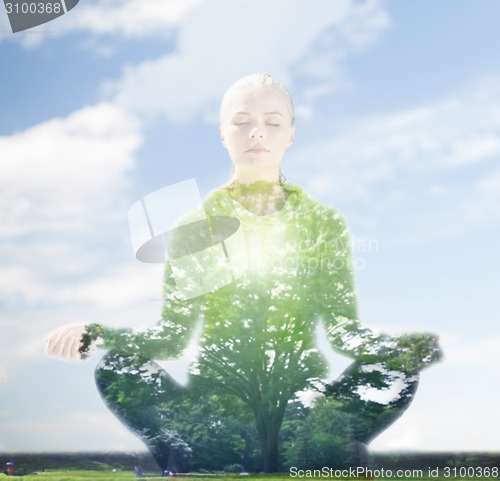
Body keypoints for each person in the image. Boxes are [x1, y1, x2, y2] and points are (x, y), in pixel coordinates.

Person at [46, 73, 442, 472]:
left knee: (392, 372)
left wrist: (396, 351)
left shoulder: (322, 223)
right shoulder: (196, 227)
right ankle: (200, 452)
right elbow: (170, 335)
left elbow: (342, 329)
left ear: (290, 135)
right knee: (119, 368)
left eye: (272, 123)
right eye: (241, 122)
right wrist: (98, 333)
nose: (257, 133)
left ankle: (287, 447)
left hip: (299, 395)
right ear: (222, 134)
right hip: (217, 403)